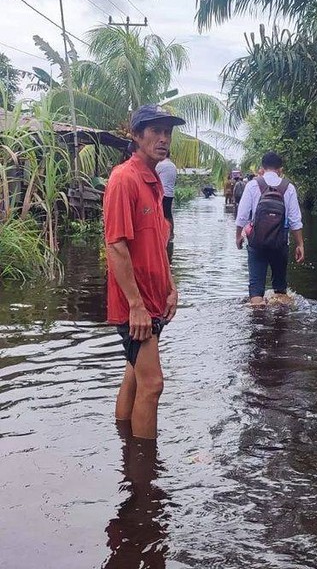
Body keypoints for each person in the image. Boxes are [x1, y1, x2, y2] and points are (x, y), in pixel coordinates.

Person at [103, 104, 183, 440]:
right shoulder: (126, 178)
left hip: (153, 300)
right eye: (155, 131)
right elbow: (116, 245)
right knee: (153, 384)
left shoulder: (154, 181)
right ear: (136, 136)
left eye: (168, 132)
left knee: (135, 375)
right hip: (136, 307)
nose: (163, 139)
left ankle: (125, 441)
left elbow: (157, 245)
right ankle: (143, 476)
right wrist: (135, 304)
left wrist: (171, 286)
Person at [235, 151, 304, 305]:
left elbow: (242, 215)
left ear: (262, 167)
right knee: (280, 289)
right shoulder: (288, 187)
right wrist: (300, 244)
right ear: (280, 169)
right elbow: (295, 221)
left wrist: (238, 236)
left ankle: (257, 322)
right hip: (280, 244)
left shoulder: (253, 185)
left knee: (256, 289)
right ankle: (279, 325)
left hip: (256, 243)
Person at [155, 150, 177, 242]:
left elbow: (152, 175)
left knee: (160, 214)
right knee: (168, 214)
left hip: (162, 193)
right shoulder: (173, 166)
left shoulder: (160, 165)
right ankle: (171, 233)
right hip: (170, 193)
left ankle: (162, 233)